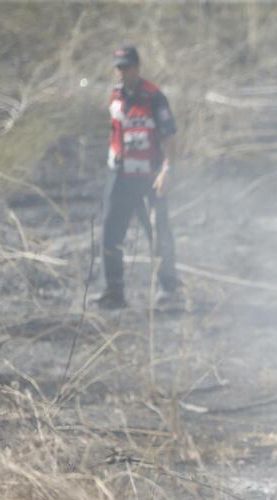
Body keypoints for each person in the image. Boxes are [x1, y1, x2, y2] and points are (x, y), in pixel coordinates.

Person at [92, 45, 180, 310]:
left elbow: (170, 136)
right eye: (119, 67)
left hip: (150, 174)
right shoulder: (115, 95)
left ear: (137, 67)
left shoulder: (154, 97)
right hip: (119, 174)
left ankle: (167, 290)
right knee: (110, 233)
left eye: (127, 67)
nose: (123, 72)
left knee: (158, 231)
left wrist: (167, 170)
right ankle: (114, 291)